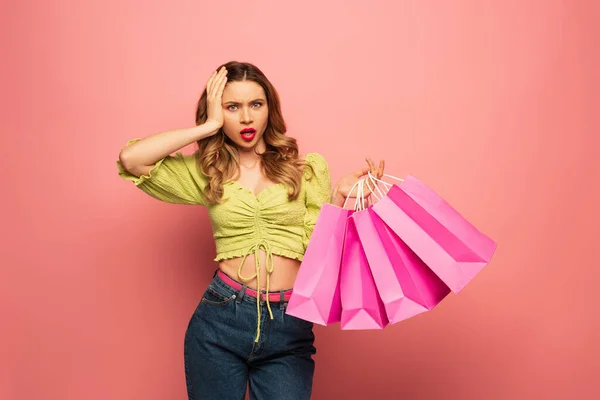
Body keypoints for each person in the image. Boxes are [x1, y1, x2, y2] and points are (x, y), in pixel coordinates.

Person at [116, 61, 385, 400]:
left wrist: (339, 199)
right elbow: (132, 159)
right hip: (221, 320)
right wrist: (207, 127)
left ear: (269, 109)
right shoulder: (207, 172)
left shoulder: (303, 170)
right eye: (232, 107)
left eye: (255, 105)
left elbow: (318, 254)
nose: (246, 118)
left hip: (290, 325)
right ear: (218, 111)